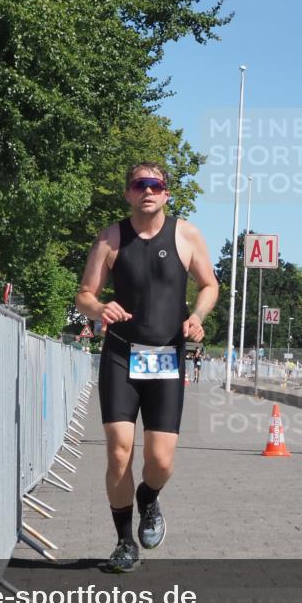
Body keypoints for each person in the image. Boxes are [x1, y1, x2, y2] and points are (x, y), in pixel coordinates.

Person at [76, 162, 218, 573]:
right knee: (119, 452)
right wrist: (100, 307)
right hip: (121, 354)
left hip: (167, 357)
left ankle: (149, 498)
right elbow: (85, 293)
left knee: (161, 462)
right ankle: (124, 542)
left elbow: (210, 284)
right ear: (129, 193)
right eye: (140, 185)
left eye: (156, 185)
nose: (148, 191)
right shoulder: (111, 237)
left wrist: (198, 316)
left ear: (167, 193)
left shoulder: (186, 234)